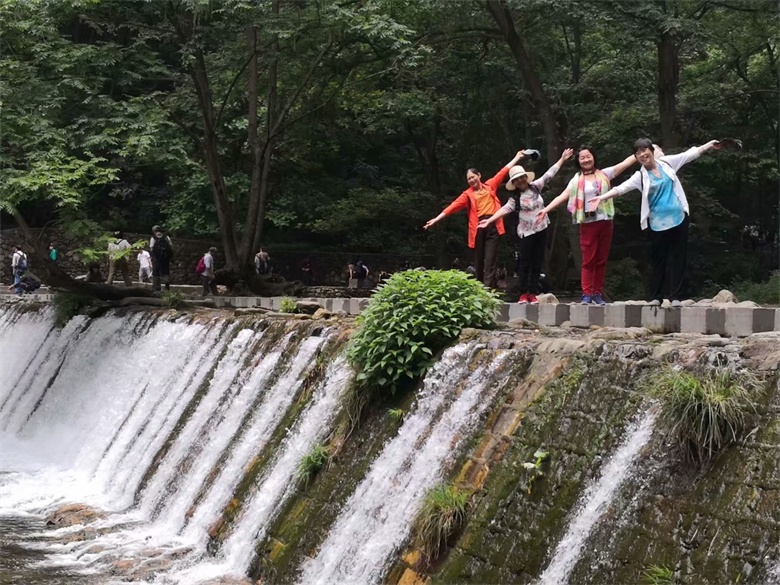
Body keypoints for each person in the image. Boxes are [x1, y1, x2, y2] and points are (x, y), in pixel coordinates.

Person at [588, 138, 722, 306]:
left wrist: (708, 145)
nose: (642, 155)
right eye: (638, 153)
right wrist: (601, 198)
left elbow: (689, 154)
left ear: (651, 151)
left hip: (679, 218)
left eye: (645, 150)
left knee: (678, 258)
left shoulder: (668, 163)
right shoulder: (640, 176)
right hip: (656, 224)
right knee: (658, 260)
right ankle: (656, 297)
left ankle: (675, 297)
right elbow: (621, 188)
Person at [537, 148, 638, 304]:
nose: (586, 160)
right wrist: (545, 210)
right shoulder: (576, 181)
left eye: (588, 156)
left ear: (593, 157)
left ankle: (597, 293)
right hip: (588, 223)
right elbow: (563, 196)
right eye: (582, 158)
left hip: (605, 220)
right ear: (578, 162)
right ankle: (587, 293)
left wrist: (640, 152)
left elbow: (624, 164)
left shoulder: (604, 174)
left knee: (601, 259)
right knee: (588, 260)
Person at [478, 148, 574, 303]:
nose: (520, 181)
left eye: (521, 177)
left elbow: (550, 173)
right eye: (516, 179)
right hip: (526, 233)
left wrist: (562, 159)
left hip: (541, 229)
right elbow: (504, 209)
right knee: (524, 262)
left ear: (525, 177)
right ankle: (523, 293)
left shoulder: (536, 187)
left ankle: (533, 292)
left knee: (537, 261)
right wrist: (489, 220)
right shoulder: (515, 199)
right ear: (514, 183)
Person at [424, 150, 527, 288]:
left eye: (473, 177)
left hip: (493, 224)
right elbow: (452, 206)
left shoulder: (490, 185)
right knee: (479, 259)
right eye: (469, 179)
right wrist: (436, 219)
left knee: (490, 259)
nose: (471, 180)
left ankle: (488, 288)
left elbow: (503, 171)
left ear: (479, 175)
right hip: (478, 227)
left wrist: (517, 157)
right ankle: (478, 288)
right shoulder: (467, 194)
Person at [150, 225, 174, 292]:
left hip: (157, 259)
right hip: (165, 259)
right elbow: (171, 247)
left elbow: (151, 248)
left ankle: (156, 289)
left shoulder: (153, 238)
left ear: (154, 231)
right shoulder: (166, 237)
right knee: (166, 272)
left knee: (156, 272)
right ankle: (167, 287)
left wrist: (153, 256)